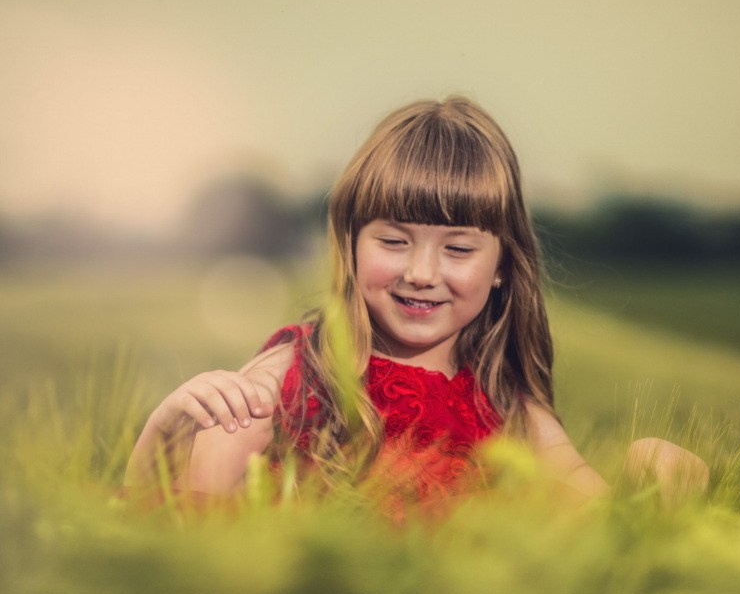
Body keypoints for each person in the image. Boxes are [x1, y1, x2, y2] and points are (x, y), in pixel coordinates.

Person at [125, 97, 708, 510]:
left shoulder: (508, 406)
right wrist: (164, 430)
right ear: (351, 246)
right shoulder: (300, 372)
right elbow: (168, 519)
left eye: (458, 248)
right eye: (394, 241)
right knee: (229, 420)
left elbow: (590, 515)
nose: (422, 273)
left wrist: (656, 492)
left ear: (502, 267)